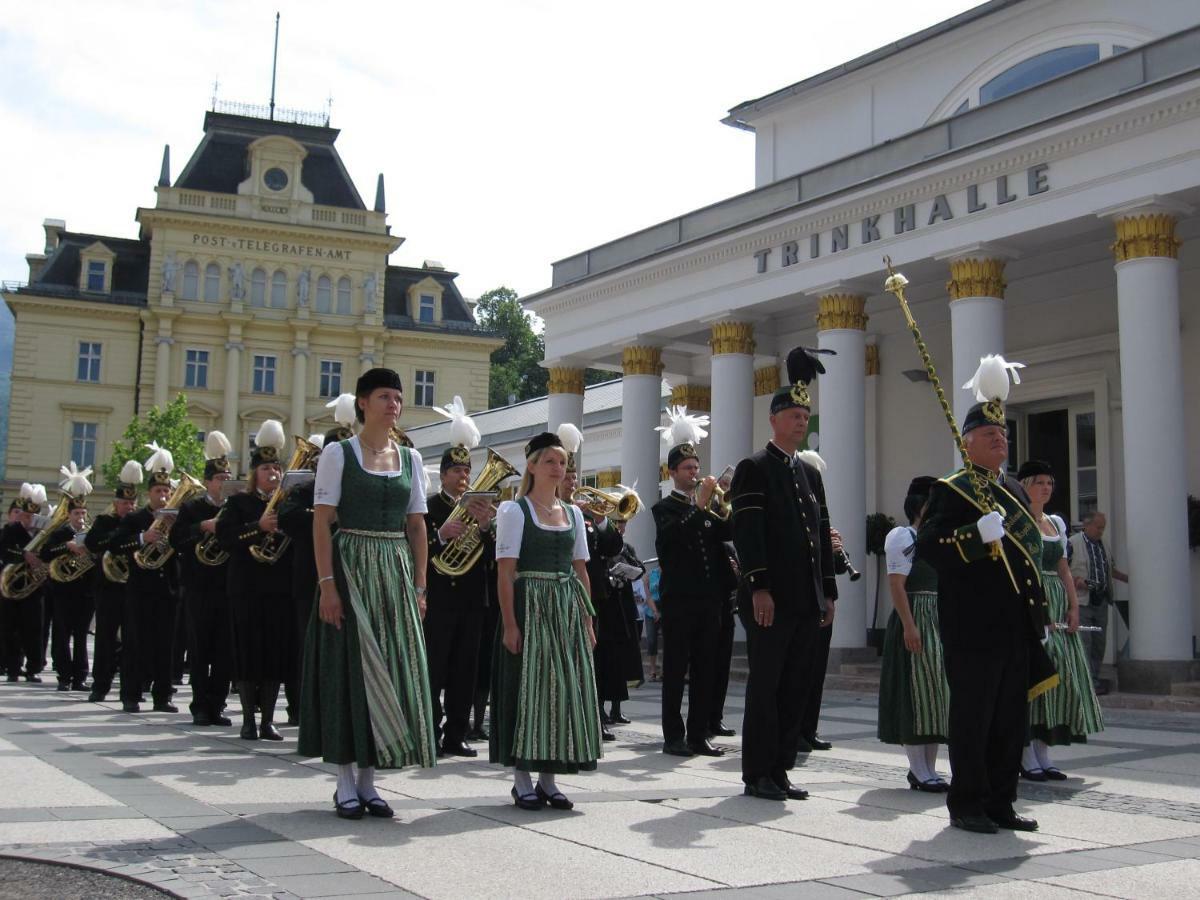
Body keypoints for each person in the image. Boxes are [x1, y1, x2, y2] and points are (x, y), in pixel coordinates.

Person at [916, 355, 1056, 835]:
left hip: (1015, 624)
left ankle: (1001, 800)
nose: (1001, 440)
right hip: (973, 624)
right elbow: (931, 546)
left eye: (1004, 436)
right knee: (973, 718)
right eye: (990, 436)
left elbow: (1029, 557)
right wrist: (975, 536)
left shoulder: (1014, 491)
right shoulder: (952, 490)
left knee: (1008, 720)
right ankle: (967, 802)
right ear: (967, 442)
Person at [299, 368, 436, 821]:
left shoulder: (411, 460)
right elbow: (321, 522)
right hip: (352, 564)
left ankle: (369, 782)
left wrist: (419, 586)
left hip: (394, 571)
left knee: (391, 670)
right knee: (349, 671)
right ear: (362, 403)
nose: (393, 404)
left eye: (397, 397)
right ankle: (343, 782)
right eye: (384, 396)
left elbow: (418, 527)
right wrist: (327, 586)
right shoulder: (339, 453)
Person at [729, 348, 837, 801]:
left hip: (805, 599)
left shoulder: (809, 474)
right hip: (771, 599)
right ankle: (758, 772)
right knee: (767, 686)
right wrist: (759, 587)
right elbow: (748, 534)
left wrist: (828, 592)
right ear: (773, 419)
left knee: (796, 687)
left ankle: (782, 768)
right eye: (793, 414)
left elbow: (822, 536)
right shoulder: (754, 468)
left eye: (805, 414)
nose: (800, 421)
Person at [491, 426, 601, 811]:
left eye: (563, 462)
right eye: (550, 461)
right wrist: (509, 623)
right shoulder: (514, 511)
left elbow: (582, 570)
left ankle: (549, 779)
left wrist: (588, 620)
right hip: (530, 603)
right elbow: (506, 571)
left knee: (560, 692)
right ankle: (522, 779)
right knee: (528, 689)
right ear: (533, 466)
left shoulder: (571, 512)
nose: (558, 468)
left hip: (565, 607)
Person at [653, 405, 736, 759]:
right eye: (687, 468)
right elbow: (673, 542)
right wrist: (698, 507)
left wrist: (726, 500)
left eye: (697, 468)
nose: (695, 473)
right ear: (672, 472)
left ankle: (698, 733)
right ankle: (673, 734)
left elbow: (728, 532)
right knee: (675, 670)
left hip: (709, 600)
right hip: (679, 601)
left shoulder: (707, 507)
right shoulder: (664, 509)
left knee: (707, 667)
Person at [1018, 460, 1103, 781]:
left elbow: (1065, 568)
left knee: (1060, 677)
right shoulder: (1019, 521)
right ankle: (1025, 753)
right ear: (1025, 485)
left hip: (1056, 598)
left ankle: (1043, 751)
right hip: (1032, 599)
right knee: (1035, 678)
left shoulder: (1055, 522)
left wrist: (1073, 606)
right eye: (1040, 482)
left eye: (1050, 483)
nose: (1046, 488)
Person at [424, 398, 495, 758]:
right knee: (435, 667)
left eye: (467, 471)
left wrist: (483, 526)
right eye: (457, 471)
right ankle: (431, 729)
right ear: (444, 474)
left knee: (465, 671)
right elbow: (416, 549)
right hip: (439, 598)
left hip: (471, 599)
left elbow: (494, 555)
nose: (464, 477)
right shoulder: (430, 508)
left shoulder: (479, 506)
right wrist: (441, 534)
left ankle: (456, 733)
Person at [216, 419, 294, 742]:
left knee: (273, 653)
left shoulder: (287, 504)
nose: (273, 474)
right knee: (247, 652)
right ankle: (249, 719)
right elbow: (224, 537)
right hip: (246, 589)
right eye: (266, 469)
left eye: (276, 469)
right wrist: (258, 527)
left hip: (277, 589)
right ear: (254, 474)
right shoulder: (238, 503)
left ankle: (268, 721)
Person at [877, 475, 950, 792]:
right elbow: (896, 584)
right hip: (916, 615)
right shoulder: (902, 536)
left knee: (936, 694)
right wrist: (909, 625)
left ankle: (930, 768)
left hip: (937, 616)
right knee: (914, 691)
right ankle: (918, 769)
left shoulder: (935, 537)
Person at [169, 432, 234, 727]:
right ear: (208, 481)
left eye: (227, 476)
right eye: (220, 477)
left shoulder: (233, 508)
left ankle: (217, 704)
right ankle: (199, 706)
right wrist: (202, 527)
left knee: (224, 649)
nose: (224, 482)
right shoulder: (193, 508)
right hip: (198, 586)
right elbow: (176, 538)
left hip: (227, 587)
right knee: (199, 648)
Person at [111, 446, 181, 713]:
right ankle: (131, 694)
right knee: (135, 642)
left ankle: (163, 696)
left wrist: (173, 534)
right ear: (148, 494)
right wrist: (143, 538)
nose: (163, 496)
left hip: (168, 589)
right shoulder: (135, 519)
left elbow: (184, 545)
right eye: (158, 492)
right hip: (140, 589)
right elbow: (116, 543)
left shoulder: (176, 519)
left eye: (167, 492)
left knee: (165, 644)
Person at [85, 462, 142, 703]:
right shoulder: (104, 521)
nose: (128, 508)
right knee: (106, 638)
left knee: (131, 639)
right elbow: (92, 543)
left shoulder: (139, 521)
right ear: (116, 503)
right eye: (124, 504)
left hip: (132, 586)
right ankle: (100, 685)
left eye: (131, 504)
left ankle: (129, 690)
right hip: (108, 587)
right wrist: (118, 538)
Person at [42, 464, 95, 692]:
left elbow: (98, 557)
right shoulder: (60, 534)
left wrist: (89, 551)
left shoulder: (91, 533)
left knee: (82, 634)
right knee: (62, 633)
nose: (81, 518)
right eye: (76, 514)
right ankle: (64, 675)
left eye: (83, 513)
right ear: (69, 515)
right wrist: (67, 547)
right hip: (63, 591)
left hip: (85, 591)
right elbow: (45, 553)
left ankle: (81, 676)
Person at [1068, 511, 1129, 695]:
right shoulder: (1073, 543)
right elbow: (1062, 570)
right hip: (1082, 601)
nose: (1101, 531)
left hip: (1101, 600)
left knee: (1099, 644)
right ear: (1086, 526)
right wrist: (1078, 581)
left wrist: (1130, 579)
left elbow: (1110, 569)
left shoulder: (1104, 545)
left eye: (1103, 527)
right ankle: (1086, 683)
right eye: (1098, 527)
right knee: (1084, 642)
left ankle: (1094, 679)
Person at [0, 484, 49, 683]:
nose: (29, 521)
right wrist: (23, 555)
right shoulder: (11, 530)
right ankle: (13, 667)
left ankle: (33, 667)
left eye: (33, 518)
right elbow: (4, 550)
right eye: (26, 517)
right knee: (10, 628)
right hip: (12, 585)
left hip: (34, 588)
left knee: (34, 628)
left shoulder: (43, 533)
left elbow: (49, 554)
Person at [601, 519, 647, 725]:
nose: (621, 527)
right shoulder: (600, 543)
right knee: (605, 661)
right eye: (617, 523)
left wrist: (628, 568)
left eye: (622, 524)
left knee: (622, 662)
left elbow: (640, 568)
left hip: (624, 612)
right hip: (606, 609)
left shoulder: (626, 548)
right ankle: (600, 708)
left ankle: (617, 708)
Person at [644, 567, 662, 681]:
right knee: (651, 640)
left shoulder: (671, 572)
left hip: (666, 608)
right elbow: (648, 595)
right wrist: (655, 611)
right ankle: (652, 670)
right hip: (651, 610)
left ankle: (665, 670)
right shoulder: (651, 574)